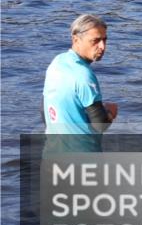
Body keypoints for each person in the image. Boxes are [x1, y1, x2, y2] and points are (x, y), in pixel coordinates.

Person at [42, 14, 118, 152]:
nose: (102, 46)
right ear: (76, 39)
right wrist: (110, 112)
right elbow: (100, 125)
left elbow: (44, 110)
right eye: (95, 41)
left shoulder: (57, 63)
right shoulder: (84, 75)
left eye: (104, 40)